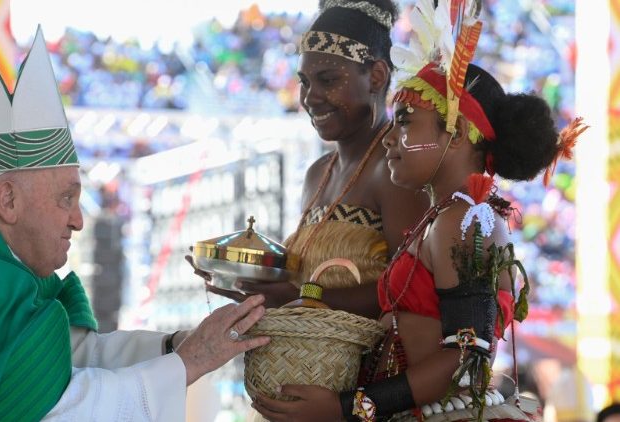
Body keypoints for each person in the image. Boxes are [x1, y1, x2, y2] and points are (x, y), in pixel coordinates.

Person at [0, 27, 269, 422]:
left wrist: (174, 347)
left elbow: (66, 358)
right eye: (66, 198)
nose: (78, 220)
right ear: (8, 200)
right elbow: (61, 408)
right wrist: (191, 361)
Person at [250, 0, 586, 420]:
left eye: (405, 122)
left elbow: (467, 361)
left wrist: (349, 409)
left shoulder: (465, 220)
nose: (390, 138)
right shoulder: (445, 217)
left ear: (458, 132)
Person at [196, 0, 428, 320]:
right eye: (304, 82)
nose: (309, 97)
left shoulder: (395, 169)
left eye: (328, 80)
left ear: (376, 76)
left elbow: (409, 289)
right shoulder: (318, 174)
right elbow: (304, 284)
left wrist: (302, 296)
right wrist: (243, 280)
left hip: (377, 368)